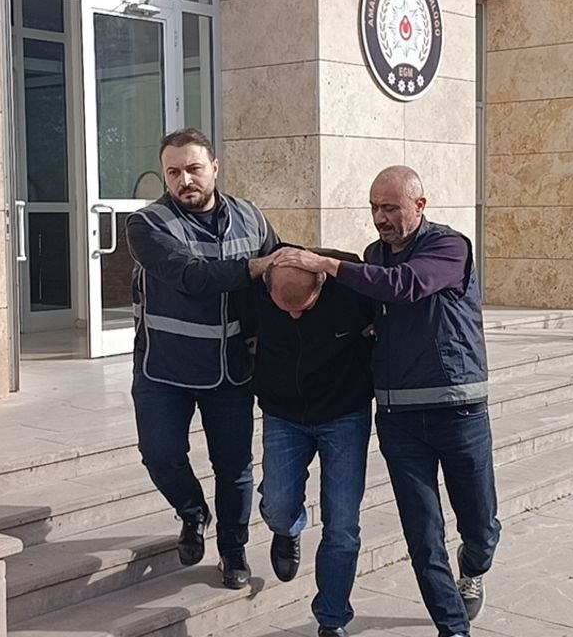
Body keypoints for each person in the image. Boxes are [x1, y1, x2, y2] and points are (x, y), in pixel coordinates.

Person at [276, 166, 499, 637]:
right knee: (423, 535)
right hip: (399, 418)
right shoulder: (374, 255)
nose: (380, 217)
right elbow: (371, 296)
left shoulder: (450, 247)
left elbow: (405, 286)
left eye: (391, 208)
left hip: (458, 409)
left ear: (420, 205)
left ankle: (474, 565)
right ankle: (453, 627)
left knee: (480, 525)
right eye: (374, 207)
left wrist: (327, 265)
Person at [125, 127, 279, 589]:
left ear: (214, 168)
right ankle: (192, 512)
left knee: (234, 468)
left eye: (193, 169)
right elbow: (191, 276)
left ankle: (233, 551)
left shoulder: (251, 217)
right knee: (160, 455)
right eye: (173, 172)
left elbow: (277, 273)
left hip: (231, 370)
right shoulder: (147, 225)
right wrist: (255, 266)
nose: (184, 180)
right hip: (163, 367)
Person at [252, 253, 374, 637]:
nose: (293, 315)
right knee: (277, 505)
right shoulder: (255, 290)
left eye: (302, 307)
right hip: (283, 414)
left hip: (344, 413)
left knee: (342, 524)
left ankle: (332, 619)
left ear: (322, 282)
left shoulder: (350, 289)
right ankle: (287, 528)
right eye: (283, 307)